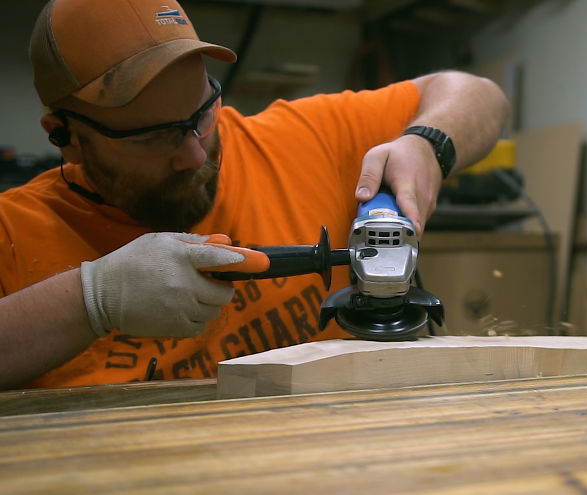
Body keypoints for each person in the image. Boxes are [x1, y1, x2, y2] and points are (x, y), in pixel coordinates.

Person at [0, 0, 509, 390]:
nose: (196, 155)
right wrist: (92, 300)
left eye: (201, 115)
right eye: (155, 136)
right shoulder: (14, 234)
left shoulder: (304, 139)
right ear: (65, 135)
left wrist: (429, 143)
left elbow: (478, 94)